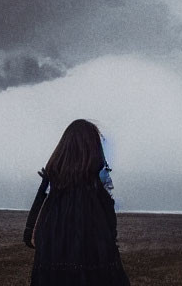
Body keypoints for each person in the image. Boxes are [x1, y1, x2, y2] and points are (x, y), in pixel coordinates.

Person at [24, 119, 130, 285]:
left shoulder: (55, 169)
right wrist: (111, 237)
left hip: (54, 235)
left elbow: (41, 197)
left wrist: (29, 229)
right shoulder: (96, 172)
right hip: (91, 236)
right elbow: (107, 206)